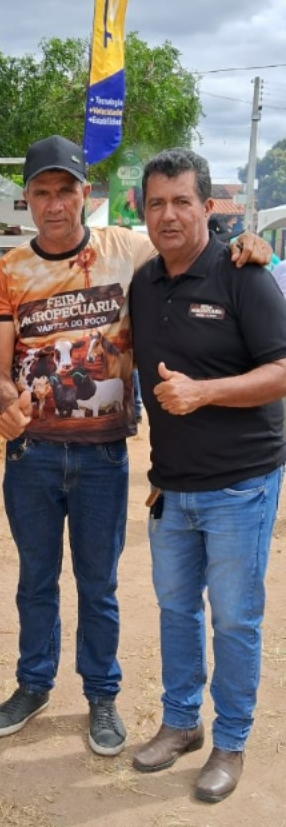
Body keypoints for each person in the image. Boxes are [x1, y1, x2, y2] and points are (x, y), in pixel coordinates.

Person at [0, 135, 271, 756]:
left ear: (86, 194)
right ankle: (33, 684)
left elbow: (194, 244)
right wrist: (6, 404)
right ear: (27, 198)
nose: (55, 204)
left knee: (99, 584)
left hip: (104, 455)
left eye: (66, 191)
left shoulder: (129, 250)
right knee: (35, 580)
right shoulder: (7, 271)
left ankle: (101, 694)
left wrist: (249, 243)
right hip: (33, 455)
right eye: (41, 192)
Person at [130, 148, 286, 803]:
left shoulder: (243, 274)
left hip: (240, 484)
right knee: (175, 610)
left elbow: (282, 370)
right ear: (141, 209)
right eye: (156, 203)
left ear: (207, 206)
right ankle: (181, 722)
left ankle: (230, 740)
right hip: (173, 486)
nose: (168, 215)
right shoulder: (143, 282)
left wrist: (204, 393)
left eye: (181, 201)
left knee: (235, 620)